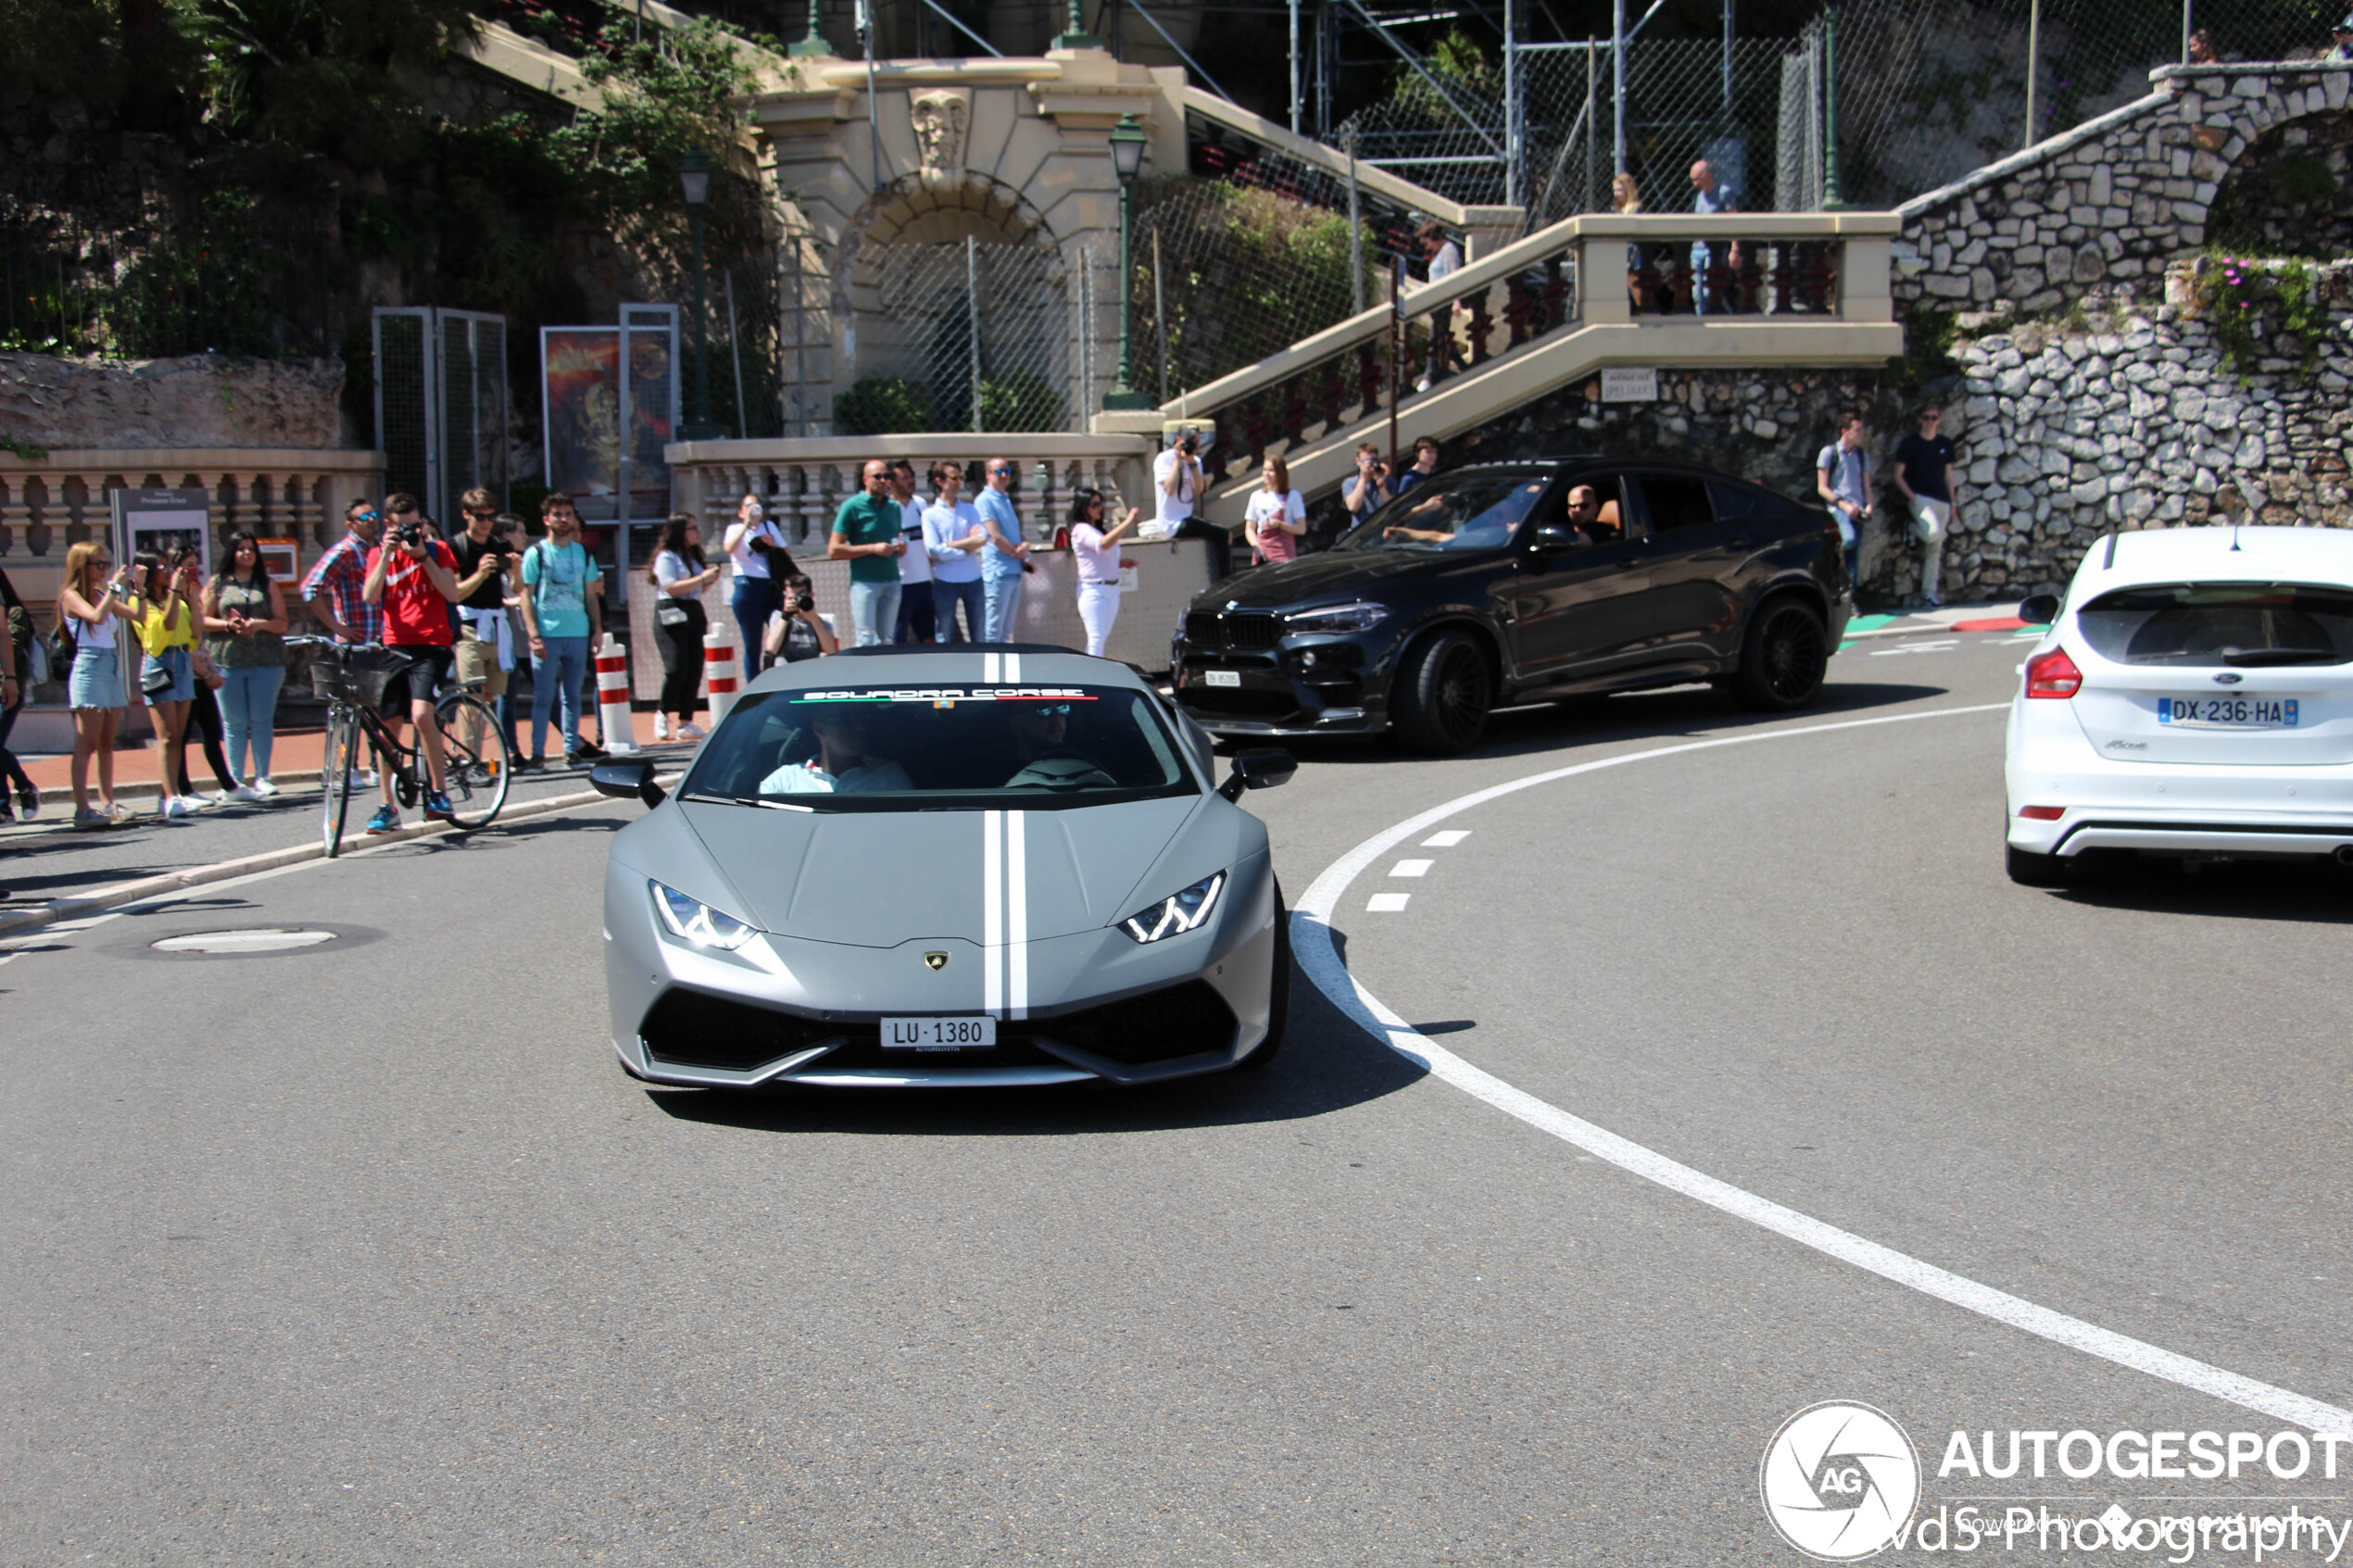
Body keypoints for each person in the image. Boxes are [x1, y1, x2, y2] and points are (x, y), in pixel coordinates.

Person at [362, 508, 463, 831]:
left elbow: (452, 592)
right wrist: (386, 556)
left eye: (413, 525)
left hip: (433, 644)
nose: (408, 532)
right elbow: (370, 596)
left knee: (421, 715)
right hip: (395, 645)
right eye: (400, 526)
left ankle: (439, 793)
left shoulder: (438, 549)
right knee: (387, 727)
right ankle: (387, 806)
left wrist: (423, 557)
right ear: (388, 526)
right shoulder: (379, 553)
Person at [200, 530, 290, 798]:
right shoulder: (217, 583)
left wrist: (261, 624)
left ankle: (263, 776)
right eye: (241, 549)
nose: (247, 553)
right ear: (231, 552)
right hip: (227, 659)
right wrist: (228, 624)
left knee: (262, 720)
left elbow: (281, 621)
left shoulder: (267, 583)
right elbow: (202, 620)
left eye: (251, 548)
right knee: (233, 722)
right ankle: (235, 779)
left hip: (266, 659)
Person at [521, 493, 606, 771]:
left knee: (573, 695)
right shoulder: (536, 553)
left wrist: (597, 629)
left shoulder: (582, 552)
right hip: (547, 633)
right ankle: (537, 753)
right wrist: (533, 634)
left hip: (578, 632)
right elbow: (526, 595)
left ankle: (571, 749)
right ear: (547, 519)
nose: (564, 519)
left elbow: (591, 595)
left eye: (568, 514)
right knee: (544, 696)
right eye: (558, 514)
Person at [57, 540, 139, 826]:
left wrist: (136, 588)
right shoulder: (72, 595)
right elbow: (96, 616)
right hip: (89, 668)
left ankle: (107, 802)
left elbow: (133, 614)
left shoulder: (101, 592)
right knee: (87, 742)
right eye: (99, 564)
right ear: (83, 566)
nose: (104, 569)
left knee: (107, 741)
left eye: (106, 564)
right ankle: (82, 808)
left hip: (111, 665)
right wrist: (115, 587)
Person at [444, 489, 520, 760]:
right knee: (470, 696)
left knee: (487, 699)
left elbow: (517, 588)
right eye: (480, 516)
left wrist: (516, 568)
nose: (486, 522)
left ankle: (474, 753)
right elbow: (454, 592)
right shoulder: (455, 546)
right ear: (467, 515)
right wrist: (479, 574)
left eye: (490, 516)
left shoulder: (500, 545)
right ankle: (464, 755)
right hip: (469, 627)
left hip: (498, 629)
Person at [130, 548, 202, 820]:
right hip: (159, 664)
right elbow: (166, 627)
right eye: (161, 567)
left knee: (178, 736)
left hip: (182, 661)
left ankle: (171, 794)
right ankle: (169, 795)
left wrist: (191, 600)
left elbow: (194, 633)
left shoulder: (177, 600)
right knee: (167, 735)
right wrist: (174, 593)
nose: (168, 571)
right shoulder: (142, 601)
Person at [649, 512, 723, 742]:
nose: (697, 531)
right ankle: (663, 712)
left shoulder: (692, 556)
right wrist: (702, 579)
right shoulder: (666, 557)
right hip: (671, 610)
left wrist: (708, 580)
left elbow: (695, 590)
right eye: (692, 528)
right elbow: (671, 586)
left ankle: (686, 721)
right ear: (680, 531)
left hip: (693, 609)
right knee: (675, 666)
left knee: (693, 667)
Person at [829, 458, 905, 647]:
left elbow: (898, 537)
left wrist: (901, 546)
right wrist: (872, 548)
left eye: (887, 476)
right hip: (865, 582)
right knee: (865, 638)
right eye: (877, 476)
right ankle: (863, 677)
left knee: (887, 639)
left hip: (892, 580)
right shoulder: (852, 506)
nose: (882, 480)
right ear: (865, 479)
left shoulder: (893, 507)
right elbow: (834, 549)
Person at [1892, 404, 1958, 608]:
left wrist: (1953, 503)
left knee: (1935, 549)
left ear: (1939, 420)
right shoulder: (1910, 444)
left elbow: (1949, 476)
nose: (1930, 421)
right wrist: (1913, 497)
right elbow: (1898, 475)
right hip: (1921, 498)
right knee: (1932, 533)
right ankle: (1910, 528)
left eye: (1934, 417)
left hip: (1942, 500)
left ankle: (1929, 593)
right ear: (1920, 419)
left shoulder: (1944, 444)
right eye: (1927, 417)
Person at [758, 707, 910, 795]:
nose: (860, 728)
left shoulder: (887, 776)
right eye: (846, 721)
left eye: (863, 720)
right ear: (819, 730)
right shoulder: (785, 780)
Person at [723, 493, 792, 672]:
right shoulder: (734, 528)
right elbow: (729, 548)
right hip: (747, 585)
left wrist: (772, 544)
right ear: (740, 512)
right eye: (748, 506)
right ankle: (754, 687)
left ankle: (779, 680)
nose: (753, 510)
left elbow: (787, 555)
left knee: (780, 637)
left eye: (757, 506)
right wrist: (747, 525)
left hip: (770, 587)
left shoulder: (769, 527)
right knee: (752, 645)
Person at [300, 499, 384, 646]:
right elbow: (309, 588)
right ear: (350, 525)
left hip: (385, 643)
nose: (371, 520)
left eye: (373, 515)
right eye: (364, 518)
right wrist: (337, 627)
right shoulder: (345, 551)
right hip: (358, 644)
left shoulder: (383, 549)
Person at [1069, 489, 1141, 659]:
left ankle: (1094, 675)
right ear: (1083, 507)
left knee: (1101, 638)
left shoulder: (1096, 529)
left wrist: (1120, 563)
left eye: (1100, 504)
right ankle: (1092, 677)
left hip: (1111, 589)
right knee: (1096, 638)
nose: (1099, 508)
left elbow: (1099, 555)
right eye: (1094, 505)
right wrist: (1127, 521)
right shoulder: (1081, 529)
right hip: (1094, 590)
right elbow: (1102, 545)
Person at [924, 460, 988, 643]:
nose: (958, 481)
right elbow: (933, 550)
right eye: (953, 477)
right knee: (944, 634)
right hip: (945, 581)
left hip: (973, 579)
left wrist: (950, 544)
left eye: (960, 477)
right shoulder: (931, 514)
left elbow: (982, 538)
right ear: (939, 481)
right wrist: (965, 549)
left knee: (979, 634)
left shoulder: (969, 509)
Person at [1155, 430, 1228, 581]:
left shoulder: (1195, 461)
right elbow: (1169, 490)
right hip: (1171, 524)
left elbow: (1199, 489)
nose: (1192, 447)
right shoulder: (1164, 459)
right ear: (1178, 440)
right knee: (1223, 535)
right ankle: (1224, 579)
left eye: (1195, 444)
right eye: (1189, 443)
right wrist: (1177, 460)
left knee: (1221, 534)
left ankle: (1219, 575)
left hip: (1186, 520)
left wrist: (1191, 463)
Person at [975, 457, 1034, 643]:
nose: (1003, 476)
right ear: (988, 474)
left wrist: (1024, 546)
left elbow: (1014, 533)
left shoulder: (1005, 499)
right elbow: (995, 536)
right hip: (998, 573)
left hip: (1014, 571)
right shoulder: (984, 500)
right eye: (998, 472)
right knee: (993, 632)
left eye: (1006, 472)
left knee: (1006, 632)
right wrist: (1017, 552)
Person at [1817, 412, 1875, 595]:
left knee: (1854, 555)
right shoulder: (1829, 453)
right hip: (1838, 508)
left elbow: (1867, 486)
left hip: (1858, 509)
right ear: (1845, 431)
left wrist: (1869, 505)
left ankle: (1851, 598)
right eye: (1856, 430)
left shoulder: (1861, 456)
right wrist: (1843, 505)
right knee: (1849, 540)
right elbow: (1822, 488)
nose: (1861, 434)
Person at [0, 565, 39, 820]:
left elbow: (6, 638)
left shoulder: (14, 614)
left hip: (5, 685)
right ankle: (6, 802)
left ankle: (22, 788)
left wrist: (10, 679)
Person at [887, 459, 937, 645]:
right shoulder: (887, 509)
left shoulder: (920, 504)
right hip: (902, 584)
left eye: (911, 476)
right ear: (891, 483)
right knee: (898, 637)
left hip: (924, 582)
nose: (911, 481)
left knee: (929, 637)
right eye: (905, 478)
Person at [1414, 220, 1464, 391]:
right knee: (1441, 336)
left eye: (1427, 243)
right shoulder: (1440, 253)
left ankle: (1429, 375)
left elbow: (1454, 275)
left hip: (1444, 302)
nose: (1427, 248)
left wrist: (1456, 301)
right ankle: (1459, 365)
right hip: (1436, 303)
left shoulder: (1448, 251)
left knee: (1435, 337)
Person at [1689, 159, 1742, 315]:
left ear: (1709, 175)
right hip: (1697, 248)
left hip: (1715, 250)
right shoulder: (1698, 197)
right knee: (1697, 294)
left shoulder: (1724, 193)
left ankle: (1728, 317)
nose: (1695, 184)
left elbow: (1735, 221)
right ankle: (1702, 322)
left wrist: (1735, 249)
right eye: (1692, 180)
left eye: (1698, 179)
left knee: (1711, 291)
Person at [1244, 455, 1307, 567]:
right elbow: (1249, 528)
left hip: (1284, 554)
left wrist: (1280, 525)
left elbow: (1301, 529)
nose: (1267, 474)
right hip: (1263, 553)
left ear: (1280, 473)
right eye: (1264, 470)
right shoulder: (1256, 496)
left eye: (1271, 470)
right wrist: (1256, 546)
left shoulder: (1293, 496)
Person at [763, 571, 839, 664]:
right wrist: (786, 616)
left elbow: (831, 651)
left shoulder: (821, 622)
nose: (796, 602)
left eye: (799, 597)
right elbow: (771, 649)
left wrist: (813, 619)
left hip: (812, 669)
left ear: (811, 596)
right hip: (786, 670)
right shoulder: (779, 618)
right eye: (791, 598)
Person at [1612, 171, 1658, 312]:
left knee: (1636, 286)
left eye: (1619, 190)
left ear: (1628, 189)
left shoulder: (1635, 208)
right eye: (1614, 190)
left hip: (1633, 253)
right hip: (1622, 252)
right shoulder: (1619, 209)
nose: (1616, 194)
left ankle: (1647, 312)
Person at [1343, 442, 1390, 531]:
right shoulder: (1349, 483)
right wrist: (1363, 478)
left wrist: (1381, 484)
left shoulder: (1388, 482)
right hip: (1361, 532)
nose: (1370, 464)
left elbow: (1391, 507)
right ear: (1358, 461)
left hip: (1383, 528)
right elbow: (1353, 507)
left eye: (1373, 460)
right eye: (1365, 461)